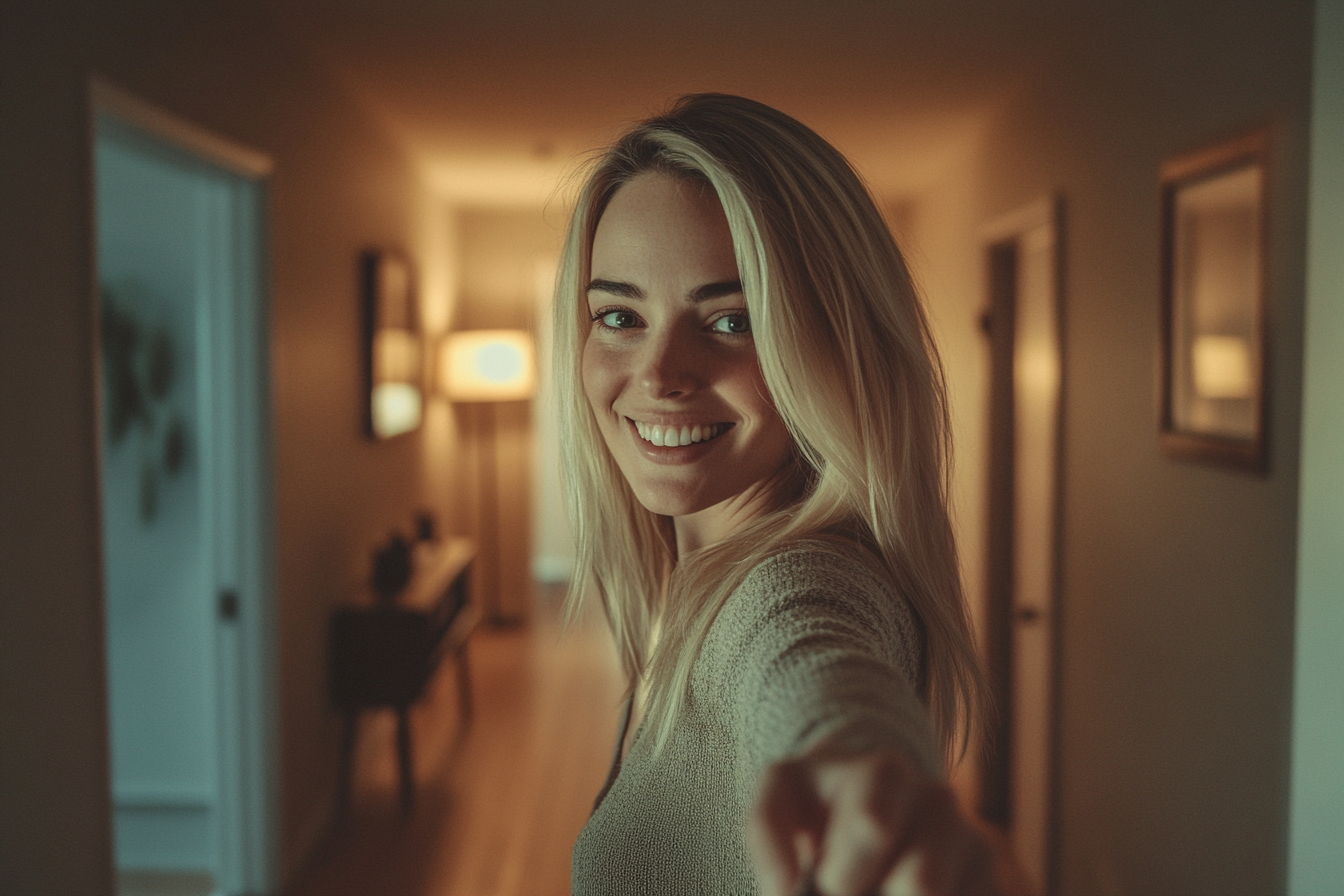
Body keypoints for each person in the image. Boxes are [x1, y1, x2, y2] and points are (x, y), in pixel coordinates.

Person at [555, 94, 1024, 896]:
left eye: (732, 321)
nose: (661, 375)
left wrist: (865, 785)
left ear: (836, 348)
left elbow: (815, 674)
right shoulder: (694, 583)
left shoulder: (797, 585)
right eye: (620, 314)